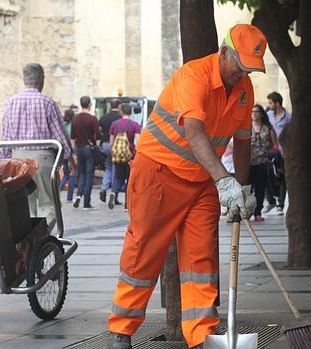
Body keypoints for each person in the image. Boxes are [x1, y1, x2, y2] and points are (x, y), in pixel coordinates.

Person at [106, 23, 264, 349]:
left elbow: (244, 141)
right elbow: (193, 132)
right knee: (143, 254)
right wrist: (224, 179)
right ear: (224, 53)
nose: (244, 75)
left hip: (203, 182)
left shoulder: (245, 91)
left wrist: (241, 188)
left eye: (251, 69)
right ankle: (121, 330)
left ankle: (201, 336)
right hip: (158, 174)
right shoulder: (194, 76)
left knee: (201, 263)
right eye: (241, 66)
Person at [1, 63, 75, 230]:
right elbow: (60, 134)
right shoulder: (47, 102)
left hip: (18, 158)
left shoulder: (11, 102)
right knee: (48, 203)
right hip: (43, 158)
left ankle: (29, 242)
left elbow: (6, 134)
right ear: (42, 80)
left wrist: (4, 160)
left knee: (26, 204)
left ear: (24, 79)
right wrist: (69, 157)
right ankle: (40, 239)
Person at [108, 104, 141, 210]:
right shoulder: (135, 125)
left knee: (118, 177)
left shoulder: (114, 124)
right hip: (130, 155)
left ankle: (114, 192)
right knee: (129, 179)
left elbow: (112, 140)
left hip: (118, 154)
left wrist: (113, 151)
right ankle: (127, 204)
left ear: (121, 112)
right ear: (130, 112)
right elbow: (137, 141)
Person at [71, 96, 101, 210]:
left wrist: (74, 152)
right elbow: (97, 136)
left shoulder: (75, 119)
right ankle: (86, 202)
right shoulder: (93, 119)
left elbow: (72, 137)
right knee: (89, 175)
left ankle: (79, 195)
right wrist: (96, 145)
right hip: (89, 149)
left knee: (81, 173)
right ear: (89, 105)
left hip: (79, 148)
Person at [249, 104, 278, 222]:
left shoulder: (268, 128)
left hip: (263, 162)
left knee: (260, 189)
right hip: (248, 163)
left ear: (261, 114)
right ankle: (246, 211)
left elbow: (275, 145)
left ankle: (257, 212)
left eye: (256, 112)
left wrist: (272, 154)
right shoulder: (246, 127)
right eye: (252, 112)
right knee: (246, 189)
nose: (254, 114)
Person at [266, 91, 291, 215]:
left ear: (277, 103)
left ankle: (280, 203)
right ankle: (271, 200)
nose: (269, 105)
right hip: (271, 151)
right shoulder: (268, 115)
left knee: (282, 177)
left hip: (283, 151)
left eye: (271, 103)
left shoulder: (288, 117)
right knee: (269, 176)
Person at [100, 99, 122, 202]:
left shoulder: (104, 117)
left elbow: (100, 131)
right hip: (116, 145)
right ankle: (114, 192)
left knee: (108, 167)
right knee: (116, 169)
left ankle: (104, 188)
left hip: (105, 144)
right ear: (119, 106)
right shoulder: (120, 118)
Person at [59, 109, 76, 202]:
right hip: (70, 152)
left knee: (66, 174)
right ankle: (69, 196)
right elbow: (72, 141)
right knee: (73, 174)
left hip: (62, 152)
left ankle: (58, 190)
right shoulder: (72, 126)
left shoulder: (62, 125)